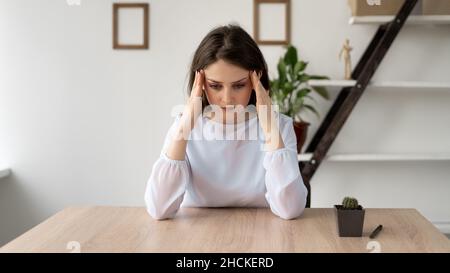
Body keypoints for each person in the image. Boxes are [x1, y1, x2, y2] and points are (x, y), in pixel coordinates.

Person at [144, 24, 307, 220]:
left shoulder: (279, 126)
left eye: (239, 85)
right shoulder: (185, 126)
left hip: (261, 233)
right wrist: (186, 125)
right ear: (201, 83)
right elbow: (158, 209)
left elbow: (290, 210)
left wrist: (269, 123)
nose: (227, 98)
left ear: (256, 80)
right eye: (215, 86)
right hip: (195, 236)